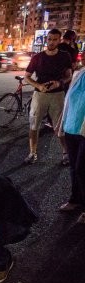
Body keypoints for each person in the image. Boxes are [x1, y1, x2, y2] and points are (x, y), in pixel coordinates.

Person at [24, 29, 72, 165]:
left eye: (55, 39)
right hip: (40, 95)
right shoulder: (38, 57)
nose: (51, 42)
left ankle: (65, 153)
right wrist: (38, 86)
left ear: (59, 40)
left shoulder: (65, 56)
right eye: (49, 39)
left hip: (58, 95)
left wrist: (60, 82)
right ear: (46, 39)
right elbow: (27, 76)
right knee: (34, 124)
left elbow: (69, 75)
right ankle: (32, 153)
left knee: (60, 126)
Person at [57, 67, 85, 212]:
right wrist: (62, 122)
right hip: (71, 127)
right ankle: (75, 200)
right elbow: (69, 99)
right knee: (74, 168)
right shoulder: (79, 74)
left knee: (81, 168)